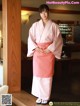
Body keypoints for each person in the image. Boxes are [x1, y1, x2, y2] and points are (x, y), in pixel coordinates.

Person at [27, 4, 63, 104]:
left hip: (49, 53)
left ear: (48, 12)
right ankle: (39, 95)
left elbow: (58, 39)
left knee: (47, 76)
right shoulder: (35, 25)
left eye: (46, 12)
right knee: (38, 75)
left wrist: (50, 48)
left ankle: (45, 97)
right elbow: (30, 38)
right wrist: (36, 47)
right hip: (38, 53)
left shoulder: (54, 26)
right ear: (40, 13)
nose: (44, 14)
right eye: (42, 12)